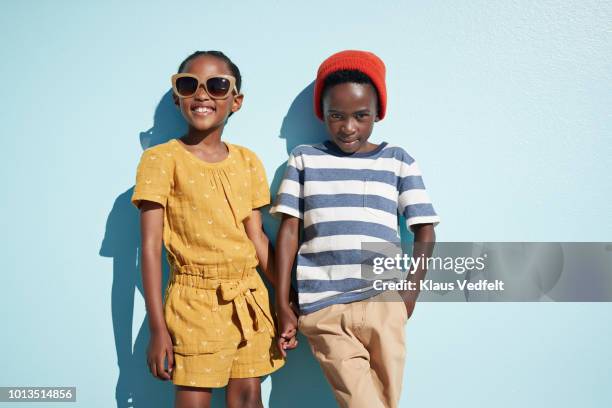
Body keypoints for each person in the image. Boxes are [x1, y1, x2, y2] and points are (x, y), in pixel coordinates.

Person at [271, 50, 440, 408]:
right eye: (337, 116)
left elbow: (424, 229)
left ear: (378, 112)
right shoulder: (305, 159)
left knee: (386, 401)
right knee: (362, 402)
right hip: (324, 307)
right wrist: (283, 299)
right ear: (323, 114)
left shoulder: (398, 160)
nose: (349, 127)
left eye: (361, 116)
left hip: (384, 302)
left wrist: (410, 293)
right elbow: (289, 230)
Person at [131, 50, 288, 408]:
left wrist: (285, 299)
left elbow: (258, 238)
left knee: (249, 401)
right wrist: (157, 328)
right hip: (192, 303)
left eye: (217, 86)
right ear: (177, 97)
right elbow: (150, 247)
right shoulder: (160, 160)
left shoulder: (248, 161)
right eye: (189, 85)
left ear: (236, 101)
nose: (202, 95)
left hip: (249, 298)